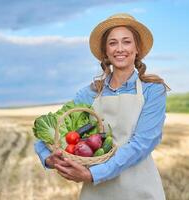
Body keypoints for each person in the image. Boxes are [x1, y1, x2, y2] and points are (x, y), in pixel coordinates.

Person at [34, 13, 169, 200]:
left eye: (126, 42)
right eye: (113, 43)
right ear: (105, 51)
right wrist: (47, 158)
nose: (120, 49)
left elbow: (142, 143)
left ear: (137, 48)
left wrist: (93, 174)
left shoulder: (153, 90)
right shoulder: (89, 93)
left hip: (139, 189)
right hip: (97, 193)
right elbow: (54, 128)